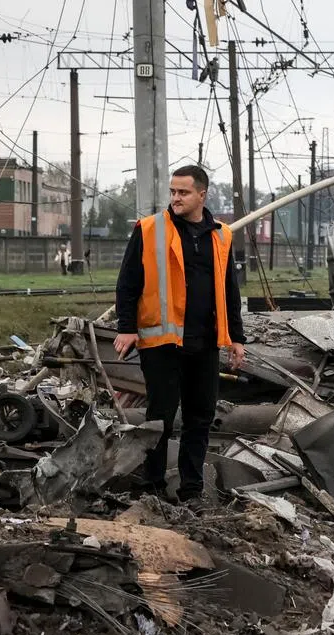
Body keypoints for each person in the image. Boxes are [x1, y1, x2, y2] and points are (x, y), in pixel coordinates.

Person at [113, 165, 246, 505]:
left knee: (200, 418)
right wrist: (126, 328)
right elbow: (128, 284)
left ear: (202, 194)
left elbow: (230, 290)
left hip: (204, 343)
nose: (175, 198)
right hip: (162, 344)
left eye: (183, 192)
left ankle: (191, 490)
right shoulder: (149, 230)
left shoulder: (221, 235)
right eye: (173, 192)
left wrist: (236, 337)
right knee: (161, 417)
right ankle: (152, 485)